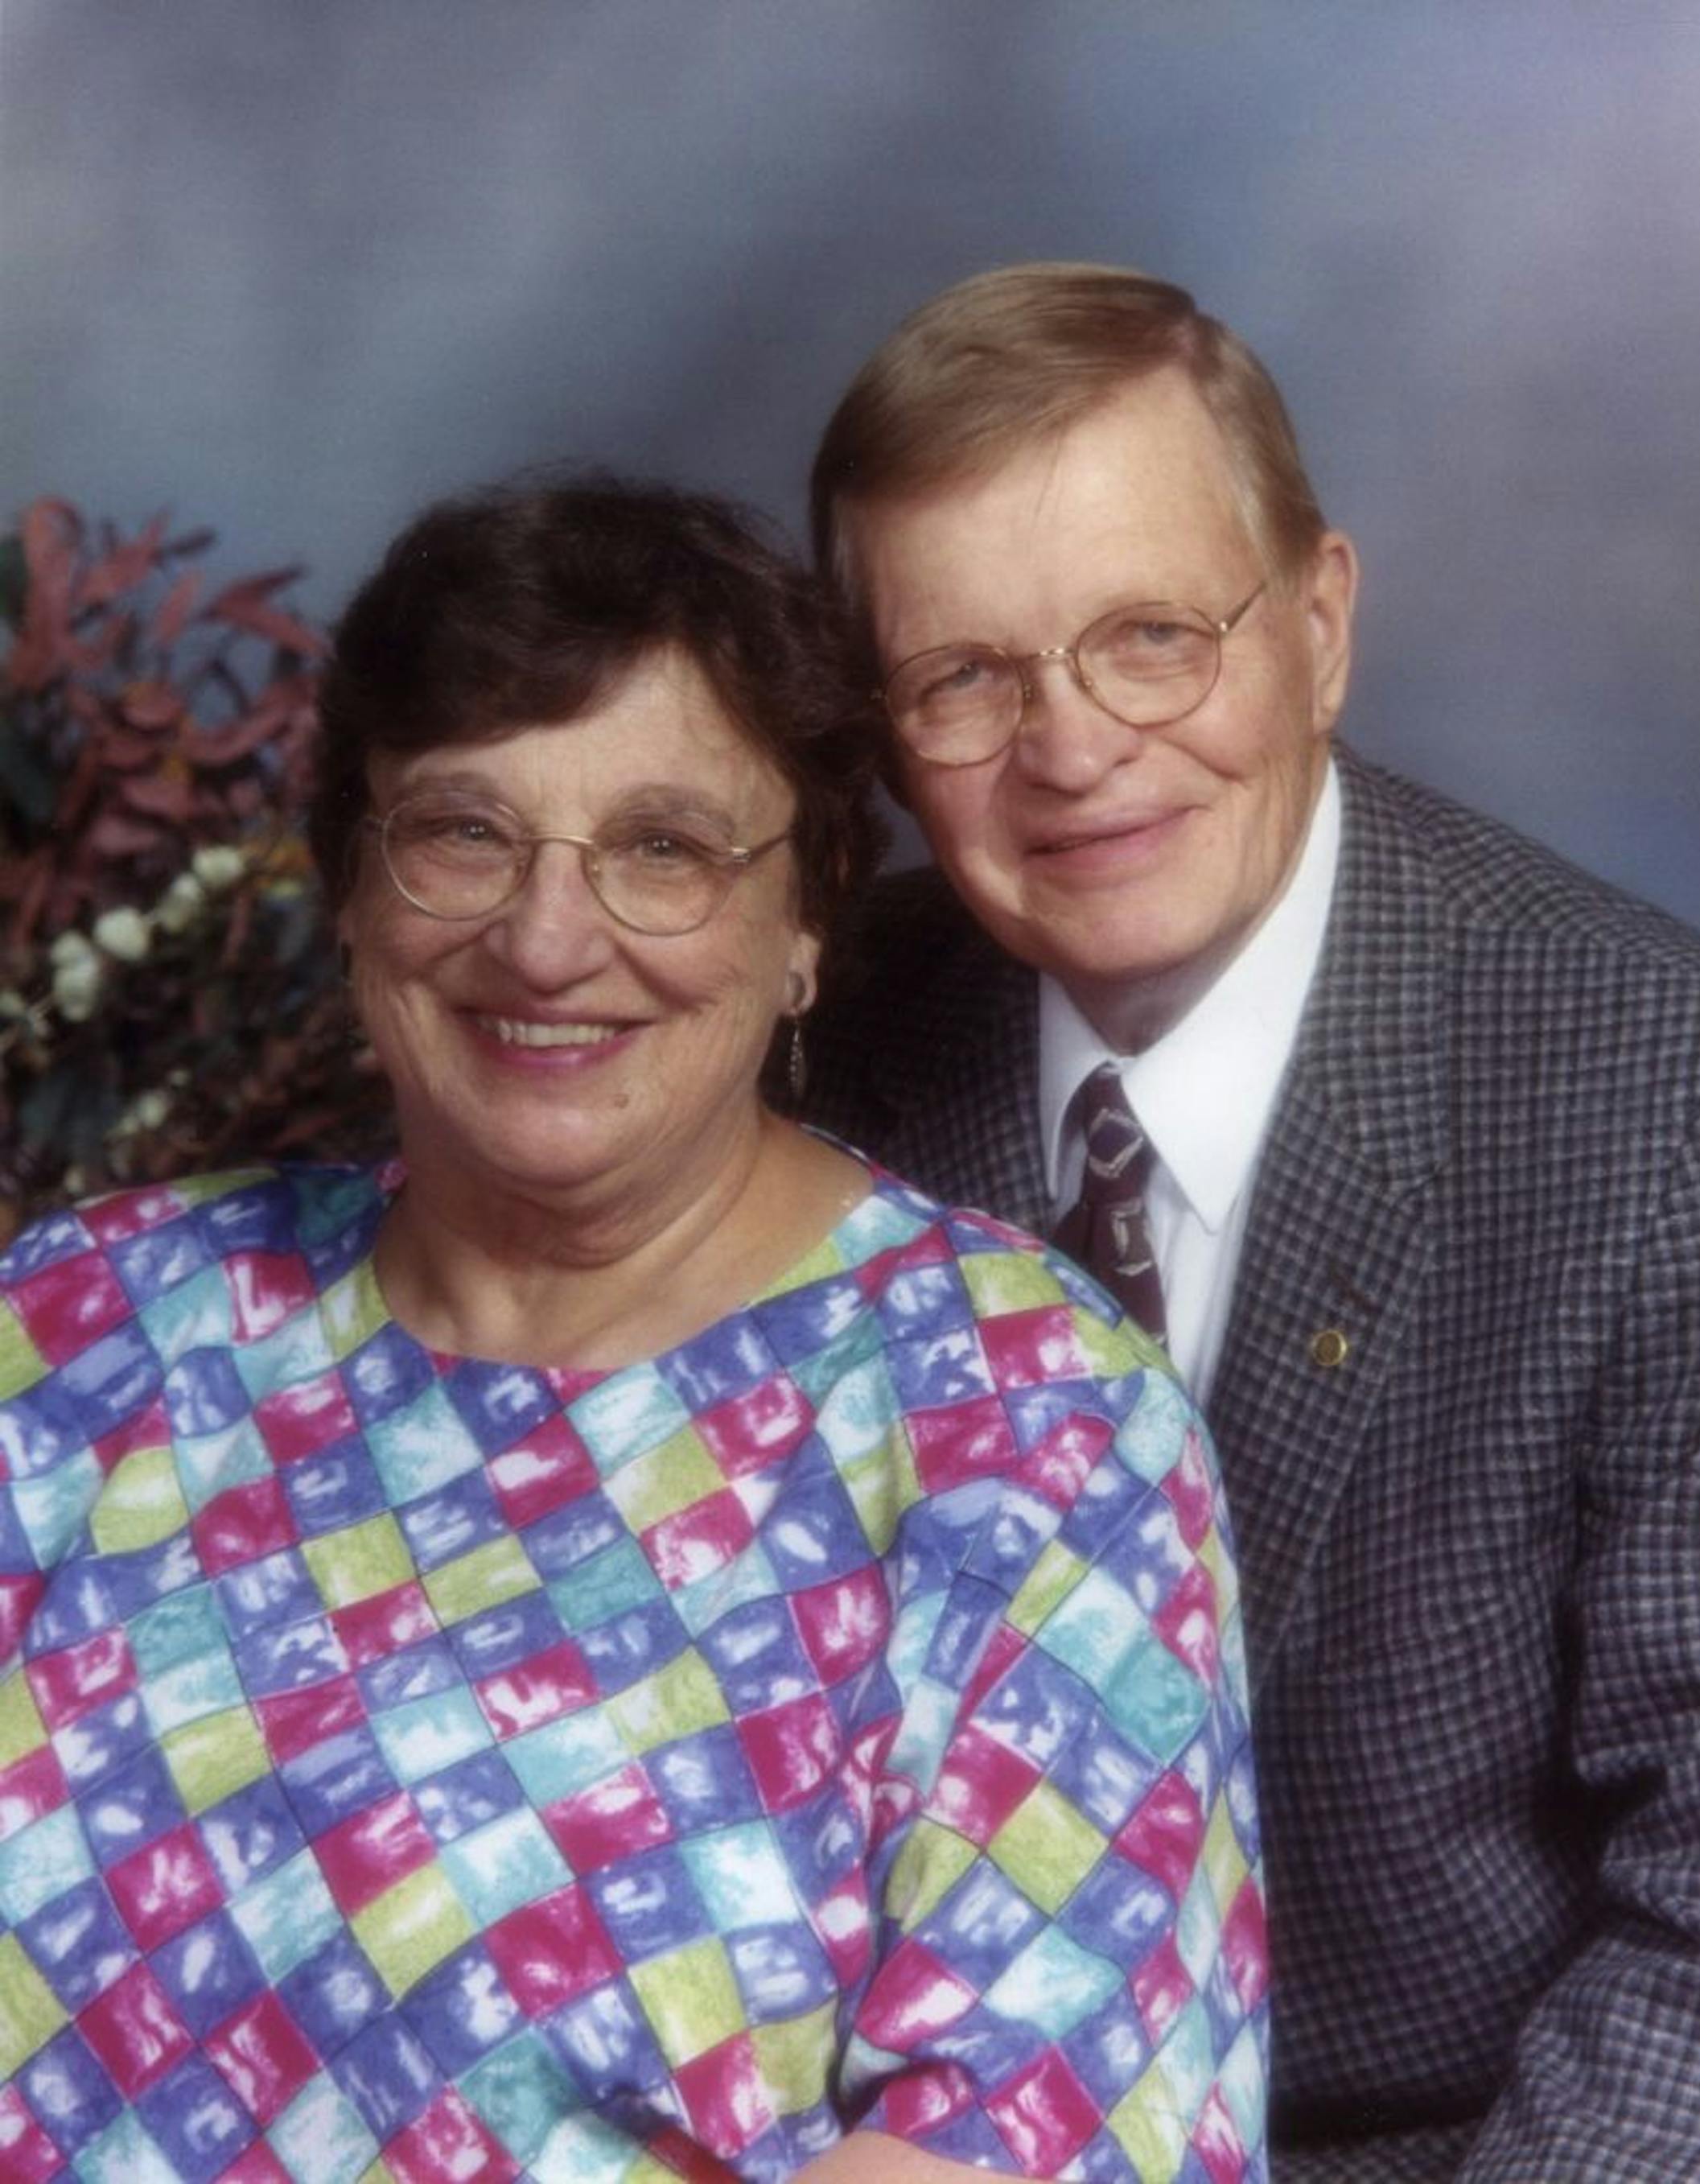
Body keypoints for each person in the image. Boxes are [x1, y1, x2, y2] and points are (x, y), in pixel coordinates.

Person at [0, 476, 1268, 2183]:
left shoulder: (1028, 1425)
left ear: (808, 916)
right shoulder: (77, 1329)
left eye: (664, 847)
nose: (546, 936)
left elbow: (1025, 2137)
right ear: (350, 888)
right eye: (462, 829)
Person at [801, 264, 1700, 2181]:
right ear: (883, 735)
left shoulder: (1668, 1103)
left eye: (1153, 636)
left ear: (1319, 628)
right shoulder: (822, 1049)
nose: (1071, 751)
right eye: (965, 677)